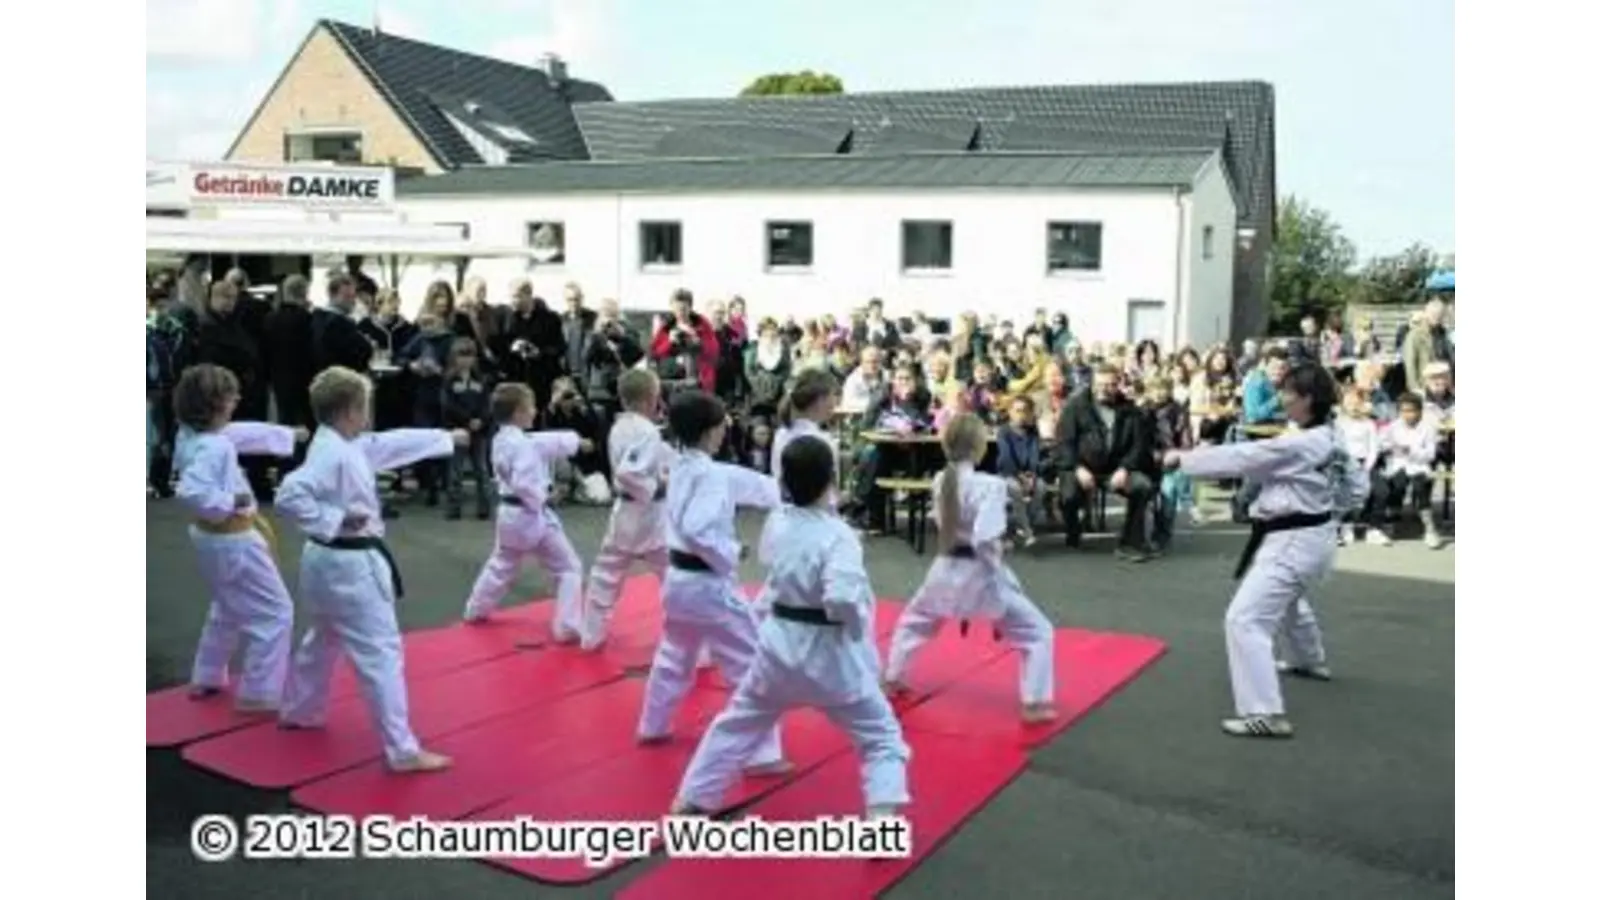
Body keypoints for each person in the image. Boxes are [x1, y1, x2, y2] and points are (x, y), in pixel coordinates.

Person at [670, 436, 910, 817]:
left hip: (777, 648)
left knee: (739, 722)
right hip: (829, 653)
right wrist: (854, 632)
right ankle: (882, 823)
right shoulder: (838, 535)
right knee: (880, 735)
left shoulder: (779, 524)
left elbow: (772, 567)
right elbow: (844, 598)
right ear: (832, 480)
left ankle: (694, 799)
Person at [274, 366, 469, 772]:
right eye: (365, 409)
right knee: (380, 653)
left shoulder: (340, 443)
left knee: (324, 638)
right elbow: (290, 493)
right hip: (350, 563)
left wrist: (443, 439)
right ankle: (402, 750)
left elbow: (386, 444)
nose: (368, 418)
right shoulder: (333, 454)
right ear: (349, 412)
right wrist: (336, 517)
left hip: (323, 560)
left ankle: (300, 709)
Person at [1162, 364, 1355, 738]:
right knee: (1289, 599)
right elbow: (1355, 486)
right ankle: (1308, 658)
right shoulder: (1332, 437)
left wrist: (1183, 459)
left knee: (1245, 619)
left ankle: (1264, 712)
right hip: (1314, 533)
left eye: (1287, 393)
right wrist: (1334, 511)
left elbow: (1247, 456)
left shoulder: (1301, 443)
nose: (1281, 398)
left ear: (1307, 400)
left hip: (1293, 539)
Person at [636, 390, 788, 772]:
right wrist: (733, 551)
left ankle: (652, 725)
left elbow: (737, 480)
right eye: (722, 425)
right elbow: (698, 527)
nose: (725, 431)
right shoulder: (706, 474)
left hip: (679, 582)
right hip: (707, 586)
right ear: (709, 431)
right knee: (750, 662)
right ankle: (761, 752)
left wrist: (779, 490)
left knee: (675, 655)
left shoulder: (687, 465)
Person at [883, 413, 1057, 722]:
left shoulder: (941, 479)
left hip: (944, 567)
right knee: (1037, 631)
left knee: (915, 621)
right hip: (980, 573)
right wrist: (1000, 552)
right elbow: (986, 536)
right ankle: (1035, 701)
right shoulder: (990, 486)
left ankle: (894, 676)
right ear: (979, 448)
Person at [173, 364, 307, 711]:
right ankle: (259, 692)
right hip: (233, 539)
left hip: (210, 539)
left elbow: (240, 433)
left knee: (227, 607)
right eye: (231, 395)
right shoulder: (214, 448)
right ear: (216, 404)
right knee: (276, 612)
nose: (237, 400)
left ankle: (207, 674)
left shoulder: (190, 436)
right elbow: (191, 491)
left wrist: (287, 435)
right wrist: (233, 501)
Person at [463, 383, 592, 637]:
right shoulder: (522, 445)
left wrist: (575, 442)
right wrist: (545, 496)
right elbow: (525, 481)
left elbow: (542, 442)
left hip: (510, 515)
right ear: (519, 412)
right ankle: (566, 624)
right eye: (531, 407)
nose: (535, 411)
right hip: (530, 514)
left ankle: (475, 608)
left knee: (502, 564)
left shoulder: (502, 439)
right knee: (569, 568)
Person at [582, 369, 675, 650]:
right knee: (674, 576)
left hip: (625, 509)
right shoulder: (647, 431)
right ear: (652, 398)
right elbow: (628, 473)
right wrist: (657, 486)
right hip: (649, 512)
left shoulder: (619, 427)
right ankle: (690, 644)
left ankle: (591, 634)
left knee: (607, 573)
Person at [1053, 364, 1155, 559]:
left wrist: (1125, 468)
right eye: (1100, 384)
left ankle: (1131, 542)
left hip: (1115, 469)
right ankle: (1073, 532)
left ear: (1118, 385)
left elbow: (1139, 446)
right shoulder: (1075, 407)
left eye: (1111, 385)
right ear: (1092, 384)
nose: (1105, 389)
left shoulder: (1130, 410)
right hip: (1080, 467)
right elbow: (1064, 443)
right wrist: (1077, 468)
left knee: (1142, 486)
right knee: (1069, 496)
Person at [1377, 393, 1443, 549]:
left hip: (1419, 465)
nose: (1408, 415)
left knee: (1421, 486)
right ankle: (1392, 522)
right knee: (1398, 484)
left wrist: (1411, 451)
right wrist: (1388, 448)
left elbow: (1430, 454)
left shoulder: (1428, 428)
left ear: (1419, 411)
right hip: (1398, 464)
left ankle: (1429, 529)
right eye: (1404, 411)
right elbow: (1382, 443)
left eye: (1411, 411)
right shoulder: (1393, 426)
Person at [439, 337, 492, 521]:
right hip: (457, 430)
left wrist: (481, 420)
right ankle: (453, 508)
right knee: (455, 471)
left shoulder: (482, 379)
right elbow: (447, 405)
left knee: (482, 471)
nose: (466, 360)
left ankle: (484, 508)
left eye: (469, 355)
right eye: (461, 355)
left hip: (480, 431)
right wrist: (467, 420)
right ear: (454, 357)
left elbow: (487, 404)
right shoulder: (449, 381)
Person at [1146, 375, 1195, 547]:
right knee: (1147, 497)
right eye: (1155, 390)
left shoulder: (1178, 411)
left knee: (1168, 495)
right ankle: (1141, 532)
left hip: (1171, 460)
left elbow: (1185, 439)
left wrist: (1177, 454)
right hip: (1147, 461)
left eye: (1163, 389)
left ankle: (1163, 534)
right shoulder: (1143, 411)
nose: (1159, 394)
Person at [1334, 389, 1385, 546]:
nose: (1354, 407)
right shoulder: (1338, 424)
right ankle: (1344, 525)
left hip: (1365, 463)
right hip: (1344, 464)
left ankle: (1374, 528)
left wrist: (1366, 468)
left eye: (1357, 403)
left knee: (1380, 490)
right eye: (1349, 404)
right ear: (1343, 405)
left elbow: (1373, 448)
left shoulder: (1368, 424)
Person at [995, 395, 1044, 548]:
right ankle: (1027, 530)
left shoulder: (1032, 432)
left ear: (1030, 414)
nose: (1021, 415)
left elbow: (1034, 455)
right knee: (1015, 489)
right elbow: (1005, 457)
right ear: (1010, 412)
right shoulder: (1004, 432)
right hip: (1007, 473)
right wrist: (1020, 476)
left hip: (1028, 473)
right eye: (1017, 411)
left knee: (1041, 488)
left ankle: (1022, 525)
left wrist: (1032, 474)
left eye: (1025, 411)